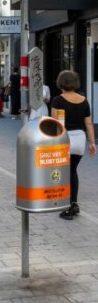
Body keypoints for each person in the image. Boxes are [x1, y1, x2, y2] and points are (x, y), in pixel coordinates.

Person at [51, 70, 96, 220]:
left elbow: (55, 123)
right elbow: (88, 123)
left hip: (65, 138)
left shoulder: (58, 100)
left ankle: (69, 207)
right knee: (72, 170)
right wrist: (92, 142)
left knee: (66, 172)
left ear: (61, 82)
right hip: (80, 139)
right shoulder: (84, 100)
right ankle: (73, 203)